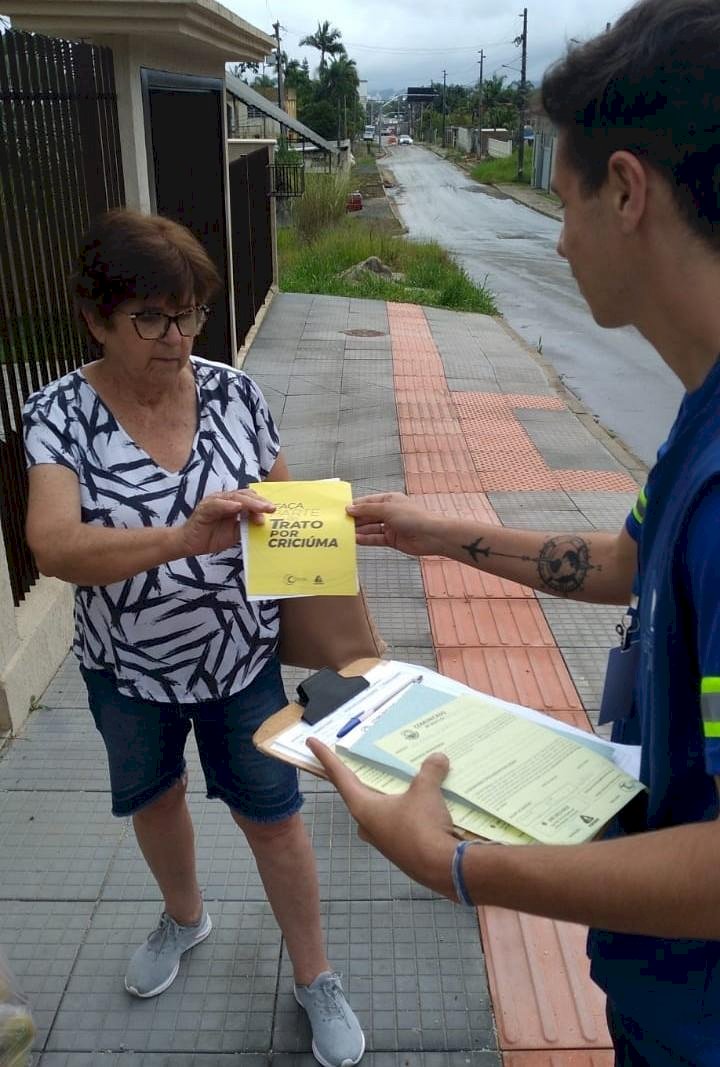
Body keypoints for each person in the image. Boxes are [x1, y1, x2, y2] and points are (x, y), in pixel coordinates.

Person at [308, 0, 720, 1063]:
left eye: (562, 195)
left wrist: (455, 863)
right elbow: (629, 562)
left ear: (626, 190)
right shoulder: (702, 415)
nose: (561, 234)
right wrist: (436, 531)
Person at [22, 208, 364, 1067]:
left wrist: (345, 578)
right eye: (151, 318)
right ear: (95, 317)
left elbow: (293, 520)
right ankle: (185, 916)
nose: (176, 337)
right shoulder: (57, 414)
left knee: (275, 818)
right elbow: (54, 545)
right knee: (156, 798)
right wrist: (182, 536)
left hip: (239, 658)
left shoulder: (235, 393)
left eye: (188, 314)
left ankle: (315, 975)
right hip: (126, 666)